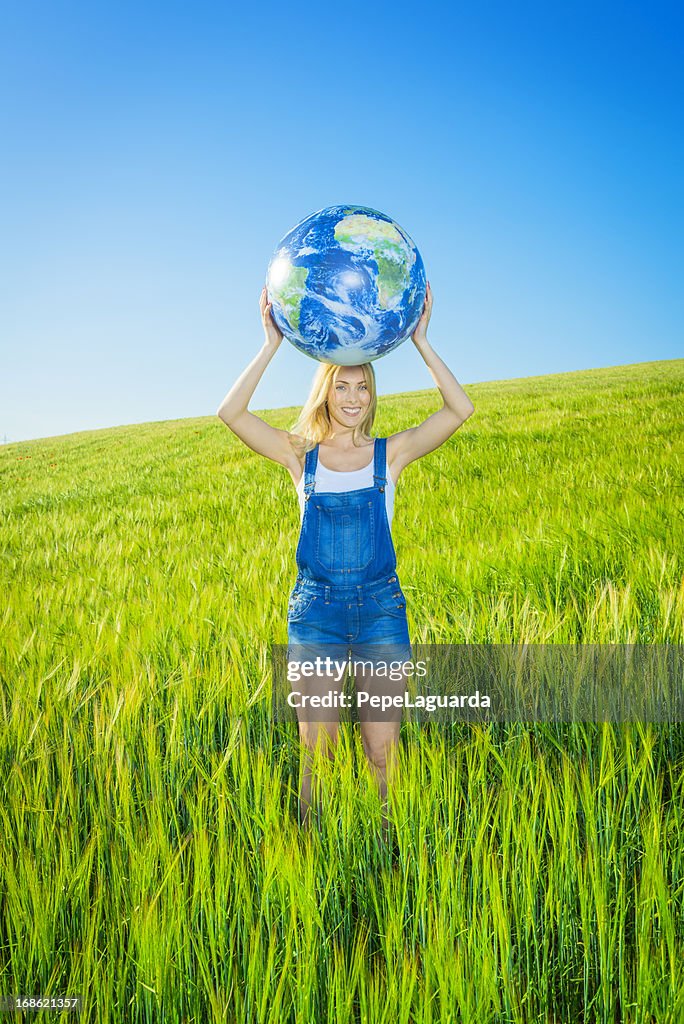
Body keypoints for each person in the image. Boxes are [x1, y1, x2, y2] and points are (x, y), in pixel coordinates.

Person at [217, 282, 474, 831]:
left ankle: (383, 854)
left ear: (371, 394)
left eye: (362, 386)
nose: (354, 397)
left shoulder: (391, 453)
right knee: (319, 757)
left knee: (382, 757)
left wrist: (421, 340)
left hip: (382, 613)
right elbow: (230, 413)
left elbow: (459, 408)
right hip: (316, 618)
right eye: (342, 385)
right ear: (326, 391)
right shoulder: (298, 455)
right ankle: (313, 856)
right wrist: (271, 343)